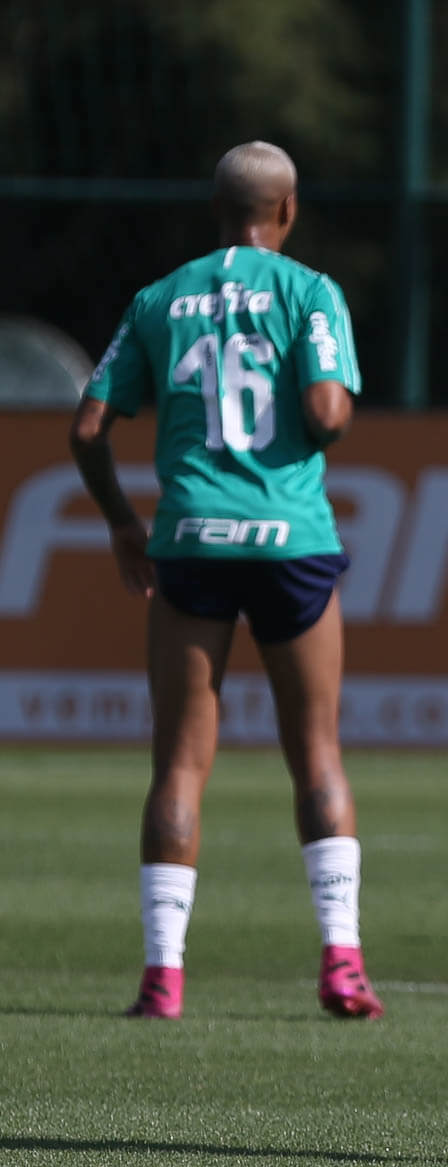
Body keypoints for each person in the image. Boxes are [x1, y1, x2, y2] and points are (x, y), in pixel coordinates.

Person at [68, 141, 383, 1021]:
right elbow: (325, 414)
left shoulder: (161, 298)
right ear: (286, 211)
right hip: (291, 541)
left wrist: (125, 525)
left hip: (192, 538)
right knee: (315, 752)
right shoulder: (310, 292)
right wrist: (327, 416)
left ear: (218, 209)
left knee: (178, 761)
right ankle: (342, 965)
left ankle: (161, 977)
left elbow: (88, 429)